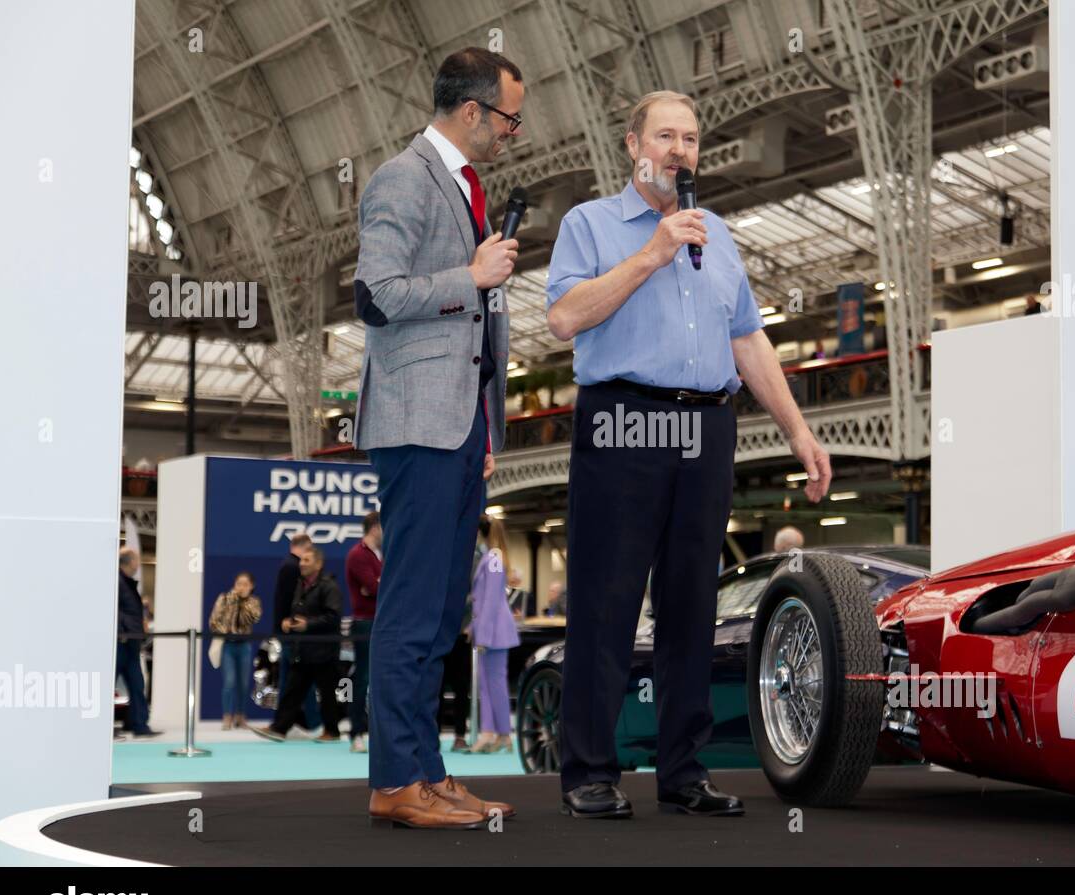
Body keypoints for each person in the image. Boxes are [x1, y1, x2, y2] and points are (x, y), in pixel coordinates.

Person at [545, 90, 832, 819]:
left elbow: (747, 339)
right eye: (666, 136)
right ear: (632, 144)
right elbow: (563, 318)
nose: (680, 150)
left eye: (692, 139)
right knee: (607, 602)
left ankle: (683, 770)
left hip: (706, 427)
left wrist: (798, 430)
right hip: (624, 421)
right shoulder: (592, 225)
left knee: (691, 605)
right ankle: (588, 770)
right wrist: (653, 252)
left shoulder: (720, 236)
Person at [352, 47, 523, 829]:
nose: (512, 133)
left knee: (439, 610)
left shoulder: (462, 188)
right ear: (472, 112)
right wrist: (473, 277)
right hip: (417, 424)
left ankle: (426, 769)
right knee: (411, 609)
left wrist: (490, 420)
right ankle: (394, 781)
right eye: (508, 118)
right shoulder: (402, 177)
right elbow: (377, 296)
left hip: (459, 426)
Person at [253, 545, 344, 742]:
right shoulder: (300, 585)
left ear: (318, 564)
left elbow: (333, 617)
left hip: (324, 651)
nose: (301, 564)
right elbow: (300, 612)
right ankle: (279, 729)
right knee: (292, 691)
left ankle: (332, 732)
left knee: (327, 693)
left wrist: (308, 625)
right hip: (303, 650)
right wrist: (289, 621)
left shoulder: (329, 586)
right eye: (301, 560)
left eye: (306, 560)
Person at [467, 517, 520, 753]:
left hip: (495, 631)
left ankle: (496, 733)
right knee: (488, 684)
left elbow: (490, 600)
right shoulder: (492, 557)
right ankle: (497, 733)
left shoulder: (494, 558)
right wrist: (475, 628)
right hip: (491, 629)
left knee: (494, 683)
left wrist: (483, 635)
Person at [273, 533, 320, 732]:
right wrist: (291, 623)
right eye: (307, 551)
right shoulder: (293, 567)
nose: (306, 560)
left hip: (288, 631)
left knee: (294, 679)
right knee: (298, 679)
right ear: (302, 547)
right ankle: (309, 722)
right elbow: (291, 601)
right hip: (292, 633)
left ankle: (284, 723)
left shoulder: (288, 565)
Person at [344, 511, 382, 753]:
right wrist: (378, 585)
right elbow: (373, 588)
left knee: (377, 680)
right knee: (363, 679)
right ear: (375, 527)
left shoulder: (378, 555)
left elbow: (381, 586)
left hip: (379, 622)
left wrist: (379, 584)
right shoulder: (358, 555)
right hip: (365, 623)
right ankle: (355, 732)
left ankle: (371, 731)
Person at [209, 571, 262, 730]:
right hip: (228, 645)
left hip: (244, 645)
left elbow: (253, 618)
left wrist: (242, 602)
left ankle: (240, 716)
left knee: (244, 683)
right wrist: (225, 630)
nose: (241, 587)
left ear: (251, 586)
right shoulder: (224, 599)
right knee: (229, 681)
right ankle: (227, 716)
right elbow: (213, 621)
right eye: (239, 583)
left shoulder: (254, 602)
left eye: (245, 584)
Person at [116, 548, 158, 738]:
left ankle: (138, 724)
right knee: (112, 684)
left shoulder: (127, 583)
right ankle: (106, 727)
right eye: (137, 560)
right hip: (121, 641)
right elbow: (114, 608)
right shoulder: (116, 581)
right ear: (130, 562)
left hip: (131, 641)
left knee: (136, 683)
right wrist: (122, 630)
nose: (138, 564)